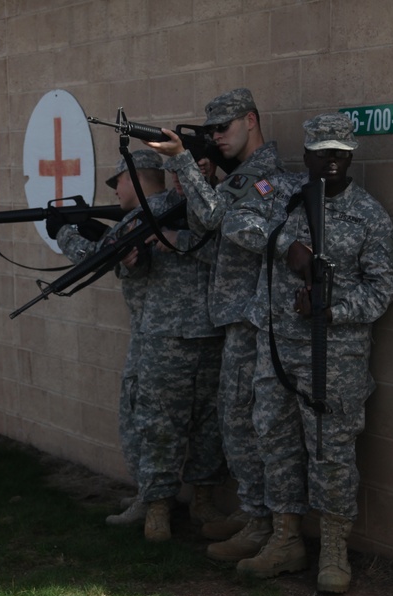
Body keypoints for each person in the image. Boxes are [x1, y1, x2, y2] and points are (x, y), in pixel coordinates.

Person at [236, 113, 393, 592]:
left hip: (333, 357)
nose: (331, 161)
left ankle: (333, 549)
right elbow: (234, 220)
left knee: (331, 452)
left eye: (340, 152)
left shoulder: (368, 216)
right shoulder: (284, 199)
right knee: (276, 443)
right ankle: (287, 540)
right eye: (322, 151)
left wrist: (332, 311)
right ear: (305, 154)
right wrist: (286, 244)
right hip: (278, 352)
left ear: (350, 156)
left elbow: (383, 287)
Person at [146, 88, 285, 554]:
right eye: (210, 132)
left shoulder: (263, 177)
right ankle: (253, 513)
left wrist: (184, 161)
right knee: (237, 421)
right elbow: (208, 230)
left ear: (251, 119)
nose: (217, 137)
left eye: (223, 128)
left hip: (254, 316)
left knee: (249, 422)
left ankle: (262, 523)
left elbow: (211, 218)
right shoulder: (239, 176)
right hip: (236, 315)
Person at [113, 155, 228, 542]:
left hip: (213, 333)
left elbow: (233, 253)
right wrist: (131, 261)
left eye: (193, 173)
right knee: (160, 425)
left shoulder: (219, 208)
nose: (184, 181)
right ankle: (158, 505)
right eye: (178, 175)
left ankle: (204, 499)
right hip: (165, 337)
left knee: (210, 427)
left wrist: (184, 240)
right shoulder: (149, 212)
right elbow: (122, 258)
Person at [47, 149, 162, 526]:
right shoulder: (171, 211)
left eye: (120, 181)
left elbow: (95, 259)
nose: (115, 190)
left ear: (139, 179)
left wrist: (63, 232)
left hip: (152, 341)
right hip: (182, 337)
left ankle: (153, 503)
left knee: (142, 423)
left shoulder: (142, 221)